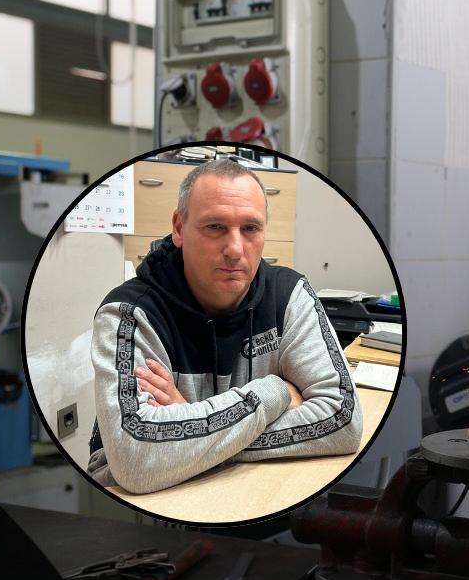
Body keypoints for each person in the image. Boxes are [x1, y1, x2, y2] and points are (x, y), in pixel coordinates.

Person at [87, 158, 361, 494]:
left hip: (246, 491)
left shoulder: (288, 295)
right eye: (215, 227)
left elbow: (343, 419)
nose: (234, 249)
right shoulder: (130, 314)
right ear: (178, 228)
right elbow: (136, 460)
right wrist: (273, 391)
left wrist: (191, 431)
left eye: (250, 228)